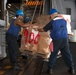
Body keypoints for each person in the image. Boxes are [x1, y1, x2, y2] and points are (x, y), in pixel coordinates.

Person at [33, 8, 75, 75]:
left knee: (54, 54)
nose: (50, 17)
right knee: (67, 54)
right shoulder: (64, 20)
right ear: (57, 14)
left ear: (52, 15)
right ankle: (71, 68)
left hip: (56, 40)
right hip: (65, 39)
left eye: (50, 16)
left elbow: (44, 29)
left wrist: (37, 29)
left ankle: (50, 69)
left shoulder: (52, 22)